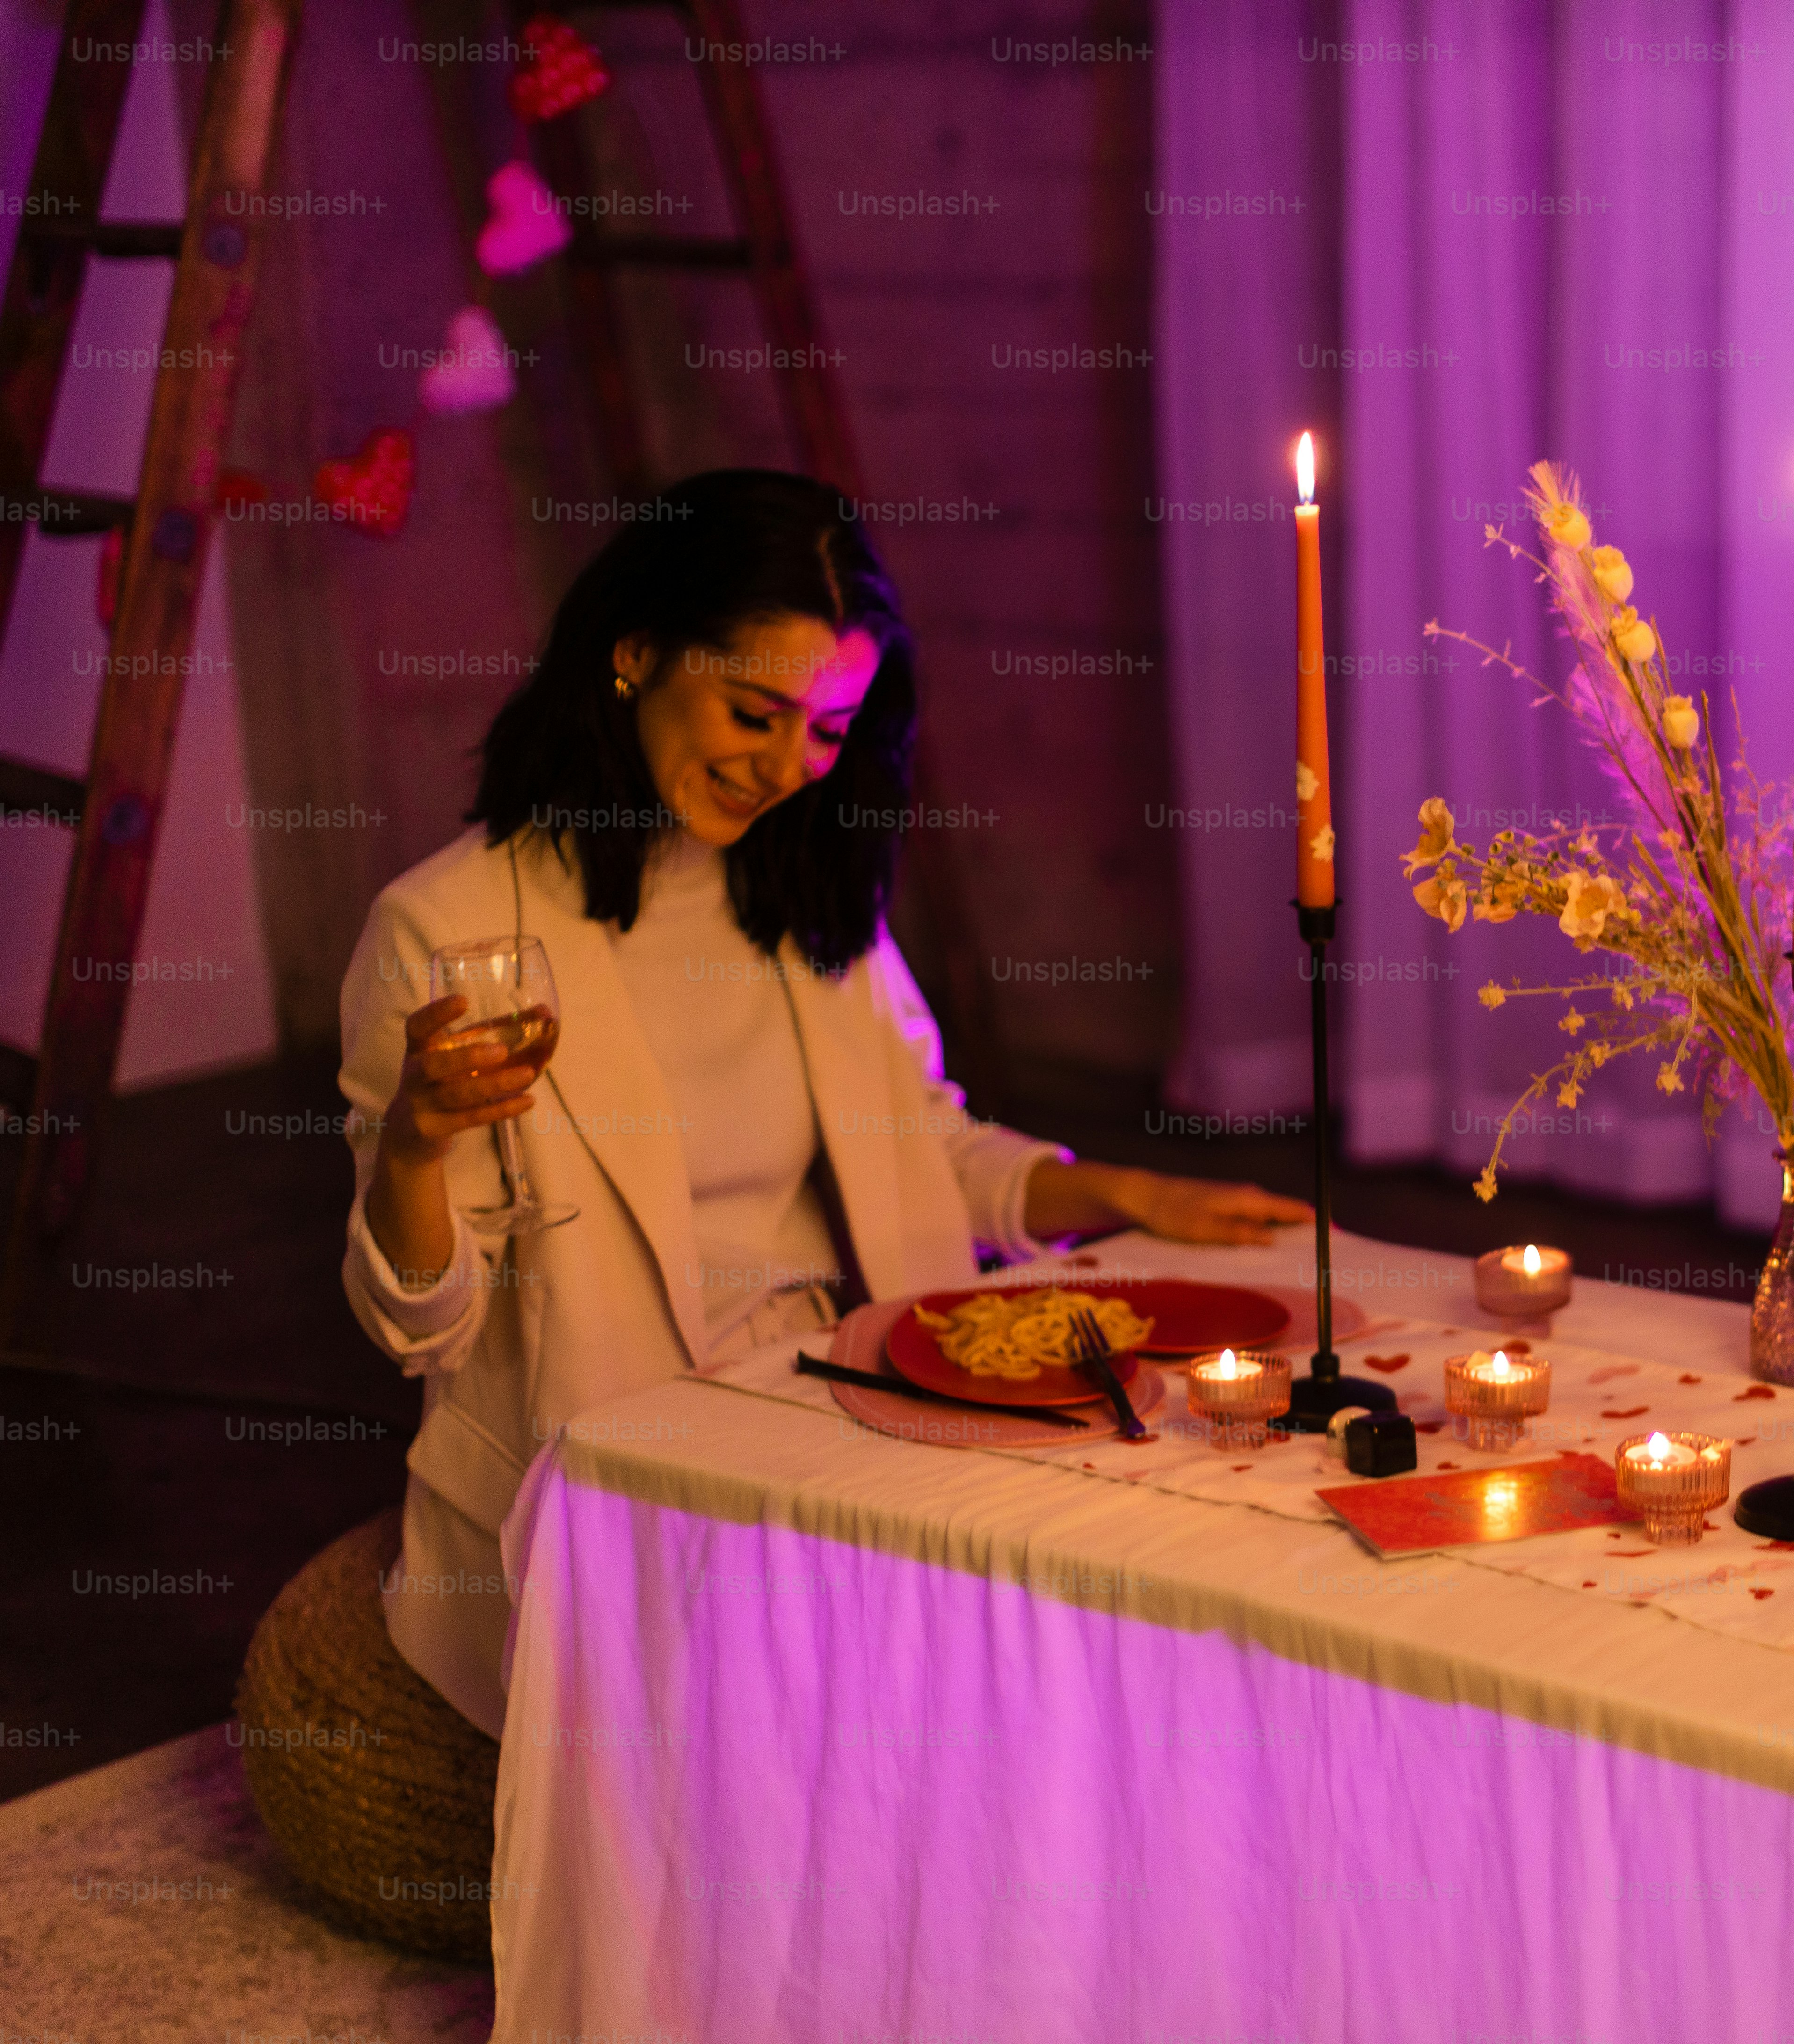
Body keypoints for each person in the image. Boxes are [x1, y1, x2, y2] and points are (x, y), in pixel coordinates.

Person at [341, 469, 1306, 1736]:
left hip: (844, 1409)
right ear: (636, 655)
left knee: (1155, 1582)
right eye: (755, 712)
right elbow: (425, 1327)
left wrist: (1124, 1190)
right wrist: (414, 1143)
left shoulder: (799, 887)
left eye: (829, 729)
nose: (790, 766)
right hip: (622, 1460)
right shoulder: (450, 931)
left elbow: (930, 1148)